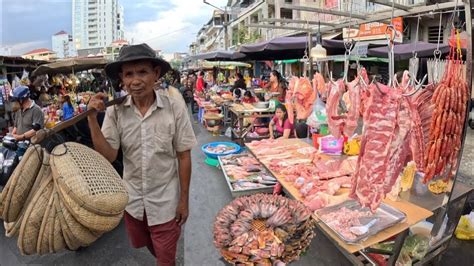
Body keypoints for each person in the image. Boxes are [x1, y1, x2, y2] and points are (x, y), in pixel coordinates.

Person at [87, 43, 197, 265]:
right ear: (122, 78)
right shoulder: (115, 110)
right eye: (129, 74)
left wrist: (184, 201)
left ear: (156, 74)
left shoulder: (174, 107)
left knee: (165, 258)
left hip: (165, 202)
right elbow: (108, 156)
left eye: (143, 72)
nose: (135, 81)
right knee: (147, 245)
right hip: (134, 202)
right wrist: (91, 118)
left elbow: (184, 156)